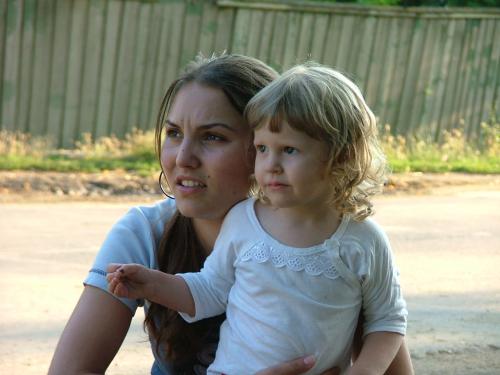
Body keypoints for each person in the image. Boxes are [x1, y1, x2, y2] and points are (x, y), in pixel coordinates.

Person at [49, 54, 413, 375]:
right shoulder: (146, 232)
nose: (182, 158)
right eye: (174, 133)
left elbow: (387, 333)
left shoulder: (339, 239)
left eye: (213, 137)